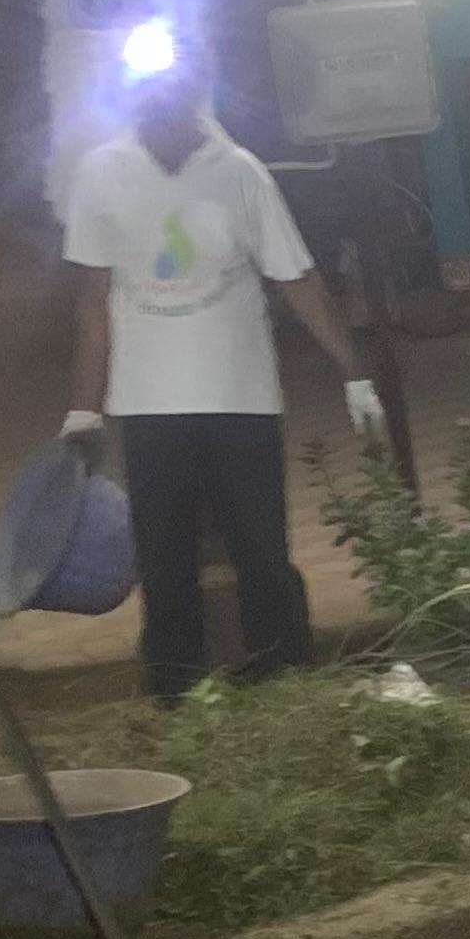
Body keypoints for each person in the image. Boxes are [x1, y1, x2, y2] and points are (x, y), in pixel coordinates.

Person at [57, 39, 380, 702]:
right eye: (152, 90)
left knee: (263, 554)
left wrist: (355, 372)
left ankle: (284, 686)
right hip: (146, 404)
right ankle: (176, 695)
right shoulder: (102, 173)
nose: (164, 103)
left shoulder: (238, 172)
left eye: (177, 87)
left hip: (241, 397)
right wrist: (83, 411)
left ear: (197, 91)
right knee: (163, 562)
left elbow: (297, 278)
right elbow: (91, 300)